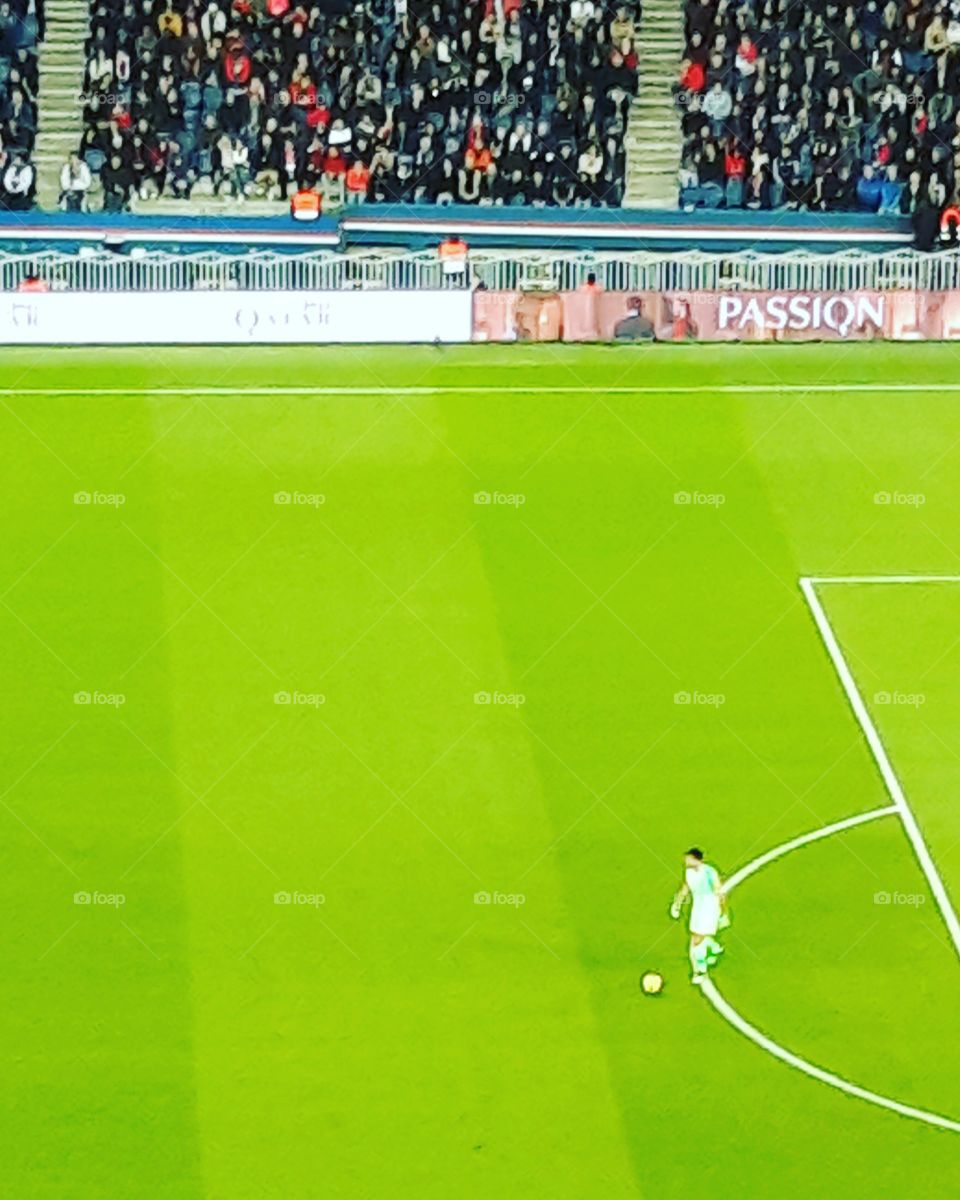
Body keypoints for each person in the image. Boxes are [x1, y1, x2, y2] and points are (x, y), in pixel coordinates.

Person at [670, 847, 728, 984]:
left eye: (689, 858)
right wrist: (677, 904)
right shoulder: (689, 872)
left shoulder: (709, 872)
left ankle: (700, 970)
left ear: (697, 859)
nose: (685, 861)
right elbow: (685, 888)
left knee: (696, 939)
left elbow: (720, 893)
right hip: (697, 908)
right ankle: (713, 948)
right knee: (699, 935)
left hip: (710, 908)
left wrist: (723, 912)